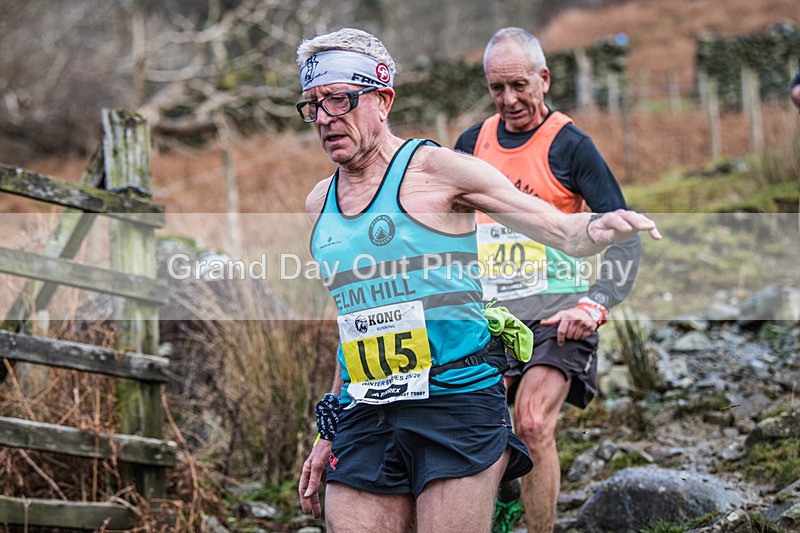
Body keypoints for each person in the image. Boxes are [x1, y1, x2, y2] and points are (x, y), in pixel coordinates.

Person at [295, 27, 660, 533]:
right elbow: (352, 324)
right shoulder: (319, 203)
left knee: (532, 424)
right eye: (313, 105)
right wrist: (327, 430)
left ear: (382, 99)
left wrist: (599, 227)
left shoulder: (441, 170)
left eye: (339, 100)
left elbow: (555, 224)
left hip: (454, 402)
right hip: (368, 412)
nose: (325, 119)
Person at [454, 27, 643, 533]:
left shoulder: (572, 147)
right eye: (497, 88)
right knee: (478, 434)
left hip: (557, 315)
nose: (509, 99)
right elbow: (446, 234)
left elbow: (625, 236)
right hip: (490, 319)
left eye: (519, 85)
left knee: (533, 424)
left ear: (544, 78)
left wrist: (594, 306)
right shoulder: (471, 145)